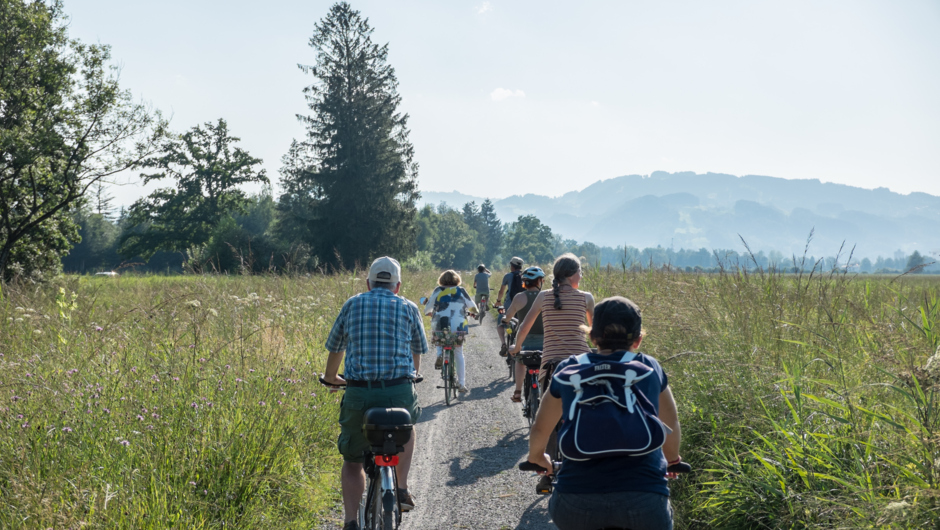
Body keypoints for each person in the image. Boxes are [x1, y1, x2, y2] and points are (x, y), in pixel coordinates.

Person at [526, 296, 683, 530]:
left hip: (576, 502)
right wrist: (672, 461)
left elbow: (540, 428)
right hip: (643, 500)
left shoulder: (569, 368)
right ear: (638, 340)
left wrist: (538, 458)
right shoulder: (650, 368)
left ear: (591, 336)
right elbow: (670, 424)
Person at [322, 257, 429, 530]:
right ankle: (402, 487)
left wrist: (331, 377)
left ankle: (350, 523)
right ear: (397, 285)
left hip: (360, 394)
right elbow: (418, 347)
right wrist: (411, 375)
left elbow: (336, 346)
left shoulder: (353, 304)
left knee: (352, 460)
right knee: (409, 424)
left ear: (368, 283)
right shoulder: (408, 306)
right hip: (399, 392)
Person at [424, 270, 477, 393]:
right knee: (458, 352)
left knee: (439, 335)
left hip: (440, 325)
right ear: (456, 280)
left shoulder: (438, 290)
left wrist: (428, 312)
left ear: (441, 280)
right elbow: (473, 307)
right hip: (458, 326)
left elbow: (428, 308)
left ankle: (439, 354)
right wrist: (474, 313)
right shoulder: (461, 291)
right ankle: (462, 383)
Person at [502, 266, 546, 402]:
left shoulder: (519, 297)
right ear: (539, 281)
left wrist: (505, 319)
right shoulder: (547, 296)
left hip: (524, 340)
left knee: (520, 361)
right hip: (545, 341)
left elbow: (508, 316)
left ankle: (518, 391)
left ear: (525, 282)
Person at [496, 256, 525, 356]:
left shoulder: (508, 276)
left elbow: (501, 291)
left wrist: (498, 301)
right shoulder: (524, 276)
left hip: (509, 305)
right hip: (522, 306)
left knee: (501, 323)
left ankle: (504, 344)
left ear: (512, 266)